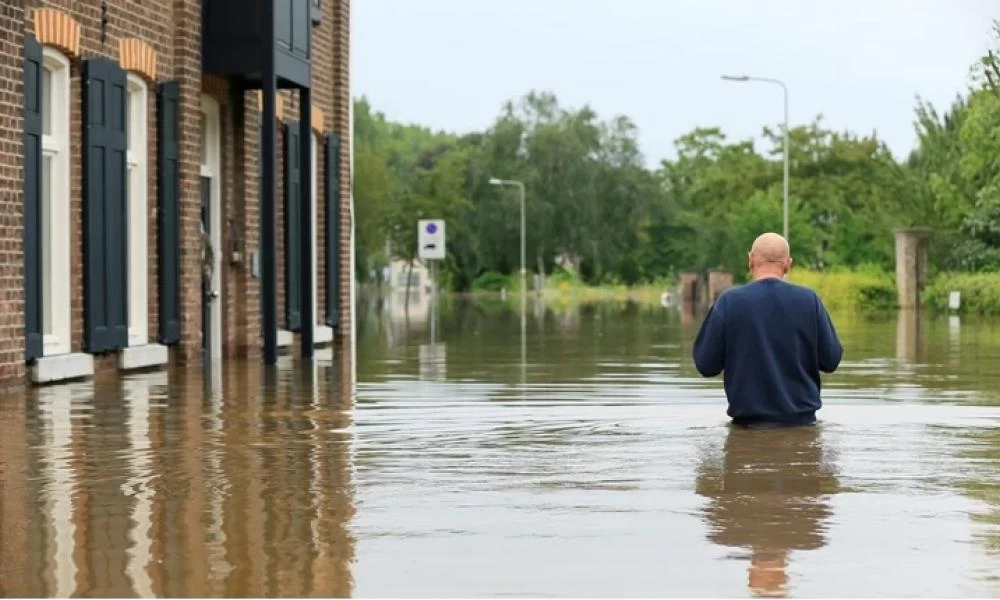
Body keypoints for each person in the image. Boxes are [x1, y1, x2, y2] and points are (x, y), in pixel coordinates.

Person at [692, 232, 843, 427]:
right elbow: (831, 360)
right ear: (788, 264)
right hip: (802, 426)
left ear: (751, 261)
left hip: (746, 429)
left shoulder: (729, 302)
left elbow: (706, 365)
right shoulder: (809, 301)